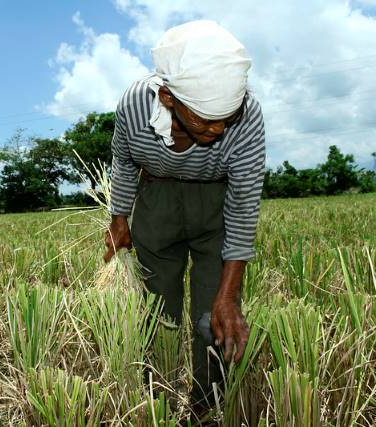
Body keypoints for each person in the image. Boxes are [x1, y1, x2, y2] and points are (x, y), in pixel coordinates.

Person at [103, 20, 265, 411]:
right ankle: (154, 397)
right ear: (168, 98)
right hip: (156, 199)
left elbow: (244, 204)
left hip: (215, 205)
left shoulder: (247, 118)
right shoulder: (135, 105)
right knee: (158, 307)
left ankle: (206, 404)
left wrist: (228, 295)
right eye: (206, 119)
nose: (219, 129)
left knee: (214, 313)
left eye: (226, 118)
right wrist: (119, 217)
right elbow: (123, 161)